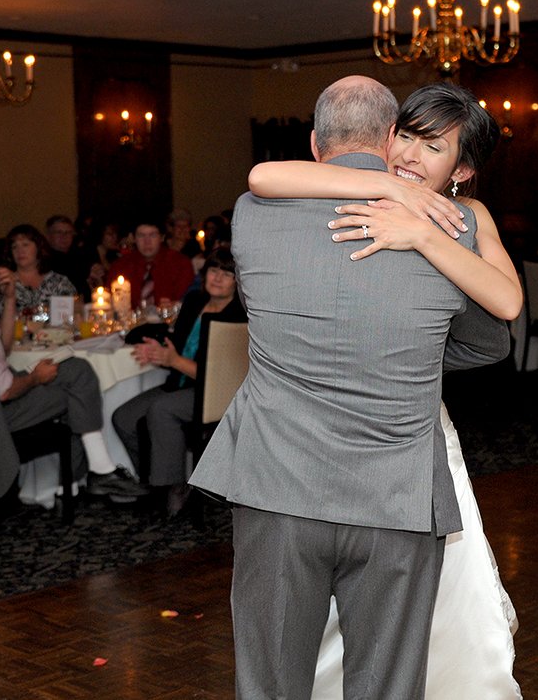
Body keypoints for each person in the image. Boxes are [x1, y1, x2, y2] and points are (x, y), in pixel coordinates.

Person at [189, 76, 512, 699]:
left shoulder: (253, 214)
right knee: (388, 686)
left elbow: (264, 177)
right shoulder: (452, 229)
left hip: (276, 485)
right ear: (391, 139)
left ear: (314, 143)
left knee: (270, 684)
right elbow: (492, 340)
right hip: (396, 496)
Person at [0, 228, 147, 500]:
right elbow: (4, 391)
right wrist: (36, 378)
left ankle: (87, 474)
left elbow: (1, 351)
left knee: (76, 369)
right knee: (77, 389)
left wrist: (9, 299)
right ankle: (96, 471)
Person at [112, 249, 246, 517]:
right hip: (181, 383)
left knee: (162, 409)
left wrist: (171, 360)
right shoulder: (195, 301)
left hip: (214, 392)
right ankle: (152, 479)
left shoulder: (238, 315)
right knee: (123, 417)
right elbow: (180, 346)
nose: (218, 278)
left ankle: (174, 487)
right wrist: (159, 352)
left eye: (227, 274)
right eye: (213, 271)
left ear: (237, 281)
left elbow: (221, 374)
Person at [0, 224, 77, 317]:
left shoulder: (59, 282)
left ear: (39, 248)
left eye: (25, 245)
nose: (20, 251)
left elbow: (74, 316)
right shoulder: (2, 281)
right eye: (14, 247)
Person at [106, 218, 195, 310]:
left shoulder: (180, 264)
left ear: (162, 237)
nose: (147, 242)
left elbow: (188, 302)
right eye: (141, 236)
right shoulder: (121, 266)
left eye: (152, 235)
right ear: (134, 238)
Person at [44, 214, 95, 296]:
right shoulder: (44, 260)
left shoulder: (78, 255)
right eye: (59, 232)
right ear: (48, 236)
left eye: (68, 232)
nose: (64, 236)